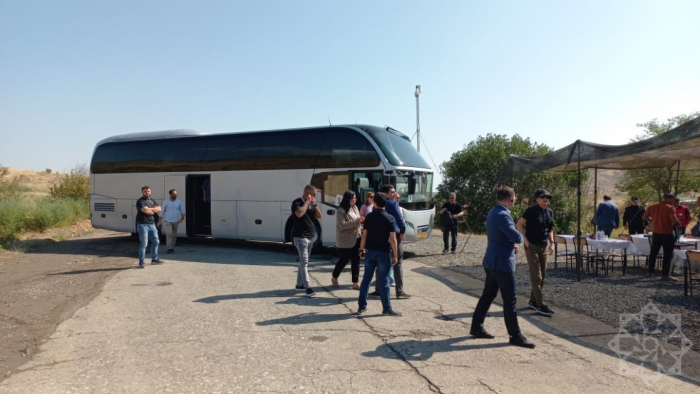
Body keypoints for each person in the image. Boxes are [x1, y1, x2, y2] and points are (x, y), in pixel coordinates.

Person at [470, 186, 535, 349]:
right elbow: (516, 236)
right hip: (502, 264)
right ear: (511, 199)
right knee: (510, 300)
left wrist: (509, 243)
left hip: (492, 261)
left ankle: (477, 327)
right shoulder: (503, 215)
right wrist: (519, 237)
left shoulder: (493, 212)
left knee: (488, 295)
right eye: (514, 199)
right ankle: (515, 335)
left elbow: (503, 236)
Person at [356, 192, 401, 316]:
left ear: (374, 203)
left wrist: (361, 249)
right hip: (384, 252)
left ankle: (361, 306)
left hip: (370, 251)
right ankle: (386, 308)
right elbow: (393, 239)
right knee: (384, 281)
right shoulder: (389, 218)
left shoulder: (369, 217)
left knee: (366, 279)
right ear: (385, 203)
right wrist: (395, 254)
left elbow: (364, 235)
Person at [515, 189, 555, 317]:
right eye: (543, 197)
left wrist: (552, 243)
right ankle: (540, 304)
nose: (546, 199)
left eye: (548, 197)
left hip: (543, 246)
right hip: (531, 245)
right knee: (536, 276)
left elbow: (550, 229)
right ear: (536, 199)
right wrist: (525, 240)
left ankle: (532, 301)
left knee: (542, 276)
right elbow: (519, 224)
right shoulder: (531, 211)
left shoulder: (550, 212)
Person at [369, 184, 410, 299]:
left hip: (380, 237)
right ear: (386, 193)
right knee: (397, 263)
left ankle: (378, 290)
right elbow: (399, 219)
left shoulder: (375, 205)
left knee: (379, 263)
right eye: (392, 192)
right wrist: (402, 231)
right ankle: (399, 291)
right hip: (394, 236)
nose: (394, 194)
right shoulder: (393, 203)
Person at [292, 185, 322, 297]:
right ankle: (307, 287)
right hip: (300, 237)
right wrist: (307, 202)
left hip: (310, 236)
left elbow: (319, 215)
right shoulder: (297, 202)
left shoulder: (312, 204)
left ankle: (299, 285)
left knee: (303, 261)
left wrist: (314, 204)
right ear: (307, 194)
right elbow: (299, 213)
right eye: (314, 194)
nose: (315, 196)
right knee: (304, 261)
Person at [642, 193, 681, 280]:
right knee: (667, 254)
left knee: (653, 253)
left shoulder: (652, 206)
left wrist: (653, 220)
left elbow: (644, 216)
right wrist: (678, 223)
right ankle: (665, 275)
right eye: (673, 200)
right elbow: (674, 221)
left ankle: (650, 272)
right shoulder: (670, 208)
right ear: (670, 199)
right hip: (667, 233)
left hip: (656, 232)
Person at [332, 191, 362, 290]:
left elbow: (357, 222)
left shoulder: (355, 208)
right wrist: (356, 222)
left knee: (356, 260)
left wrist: (361, 221)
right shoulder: (341, 210)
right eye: (354, 198)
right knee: (344, 260)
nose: (355, 200)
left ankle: (355, 282)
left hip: (356, 238)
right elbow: (342, 225)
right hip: (345, 240)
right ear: (348, 199)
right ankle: (334, 277)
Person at [135, 186, 163, 268]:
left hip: (152, 224)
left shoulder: (152, 200)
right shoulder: (140, 201)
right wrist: (153, 209)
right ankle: (141, 262)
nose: (147, 193)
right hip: (142, 225)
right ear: (142, 192)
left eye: (148, 191)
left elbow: (160, 209)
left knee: (156, 242)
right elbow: (147, 212)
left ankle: (154, 259)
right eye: (145, 191)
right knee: (144, 244)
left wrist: (151, 209)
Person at [158, 189, 186, 253]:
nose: (175, 195)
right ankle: (169, 247)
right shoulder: (166, 202)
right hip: (168, 220)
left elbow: (182, 210)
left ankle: (172, 246)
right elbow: (162, 211)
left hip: (176, 221)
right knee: (169, 233)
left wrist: (182, 218)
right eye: (173, 194)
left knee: (174, 234)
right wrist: (160, 220)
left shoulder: (179, 202)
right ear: (170, 194)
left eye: (176, 194)